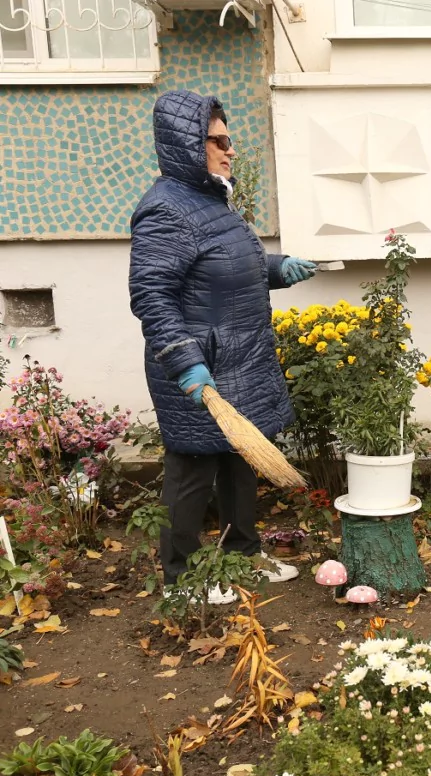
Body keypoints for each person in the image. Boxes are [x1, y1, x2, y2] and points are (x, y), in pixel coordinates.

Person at [129, 90, 317, 604]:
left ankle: (242, 557)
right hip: (203, 365)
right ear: (189, 145)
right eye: (218, 141)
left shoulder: (211, 201)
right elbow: (152, 293)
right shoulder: (166, 210)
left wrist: (279, 268)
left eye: (229, 139)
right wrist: (185, 363)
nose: (229, 150)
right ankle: (182, 579)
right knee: (192, 472)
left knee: (239, 461)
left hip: (241, 359)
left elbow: (225, 269)